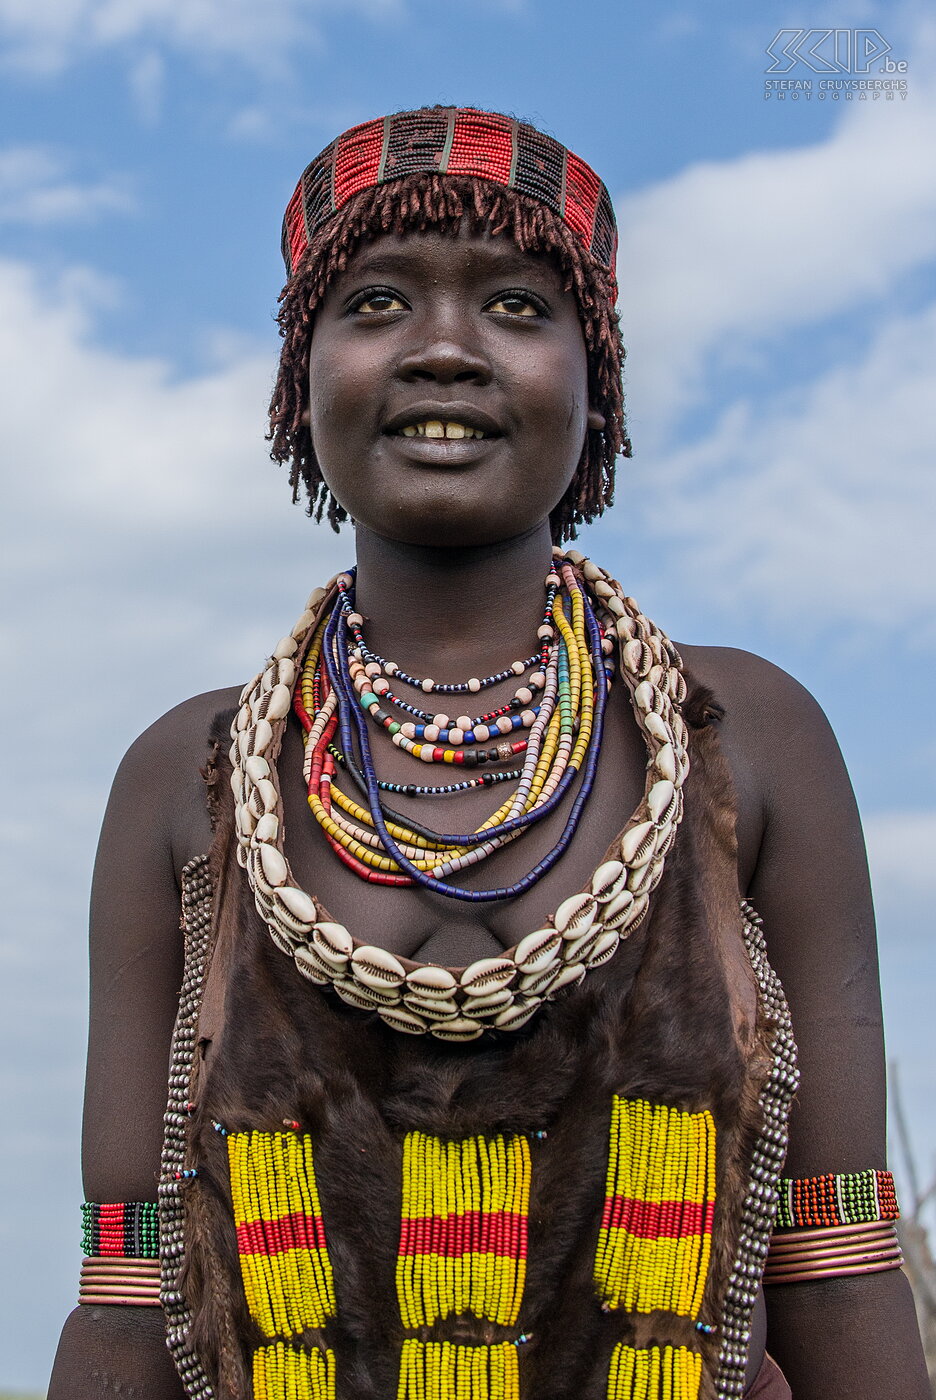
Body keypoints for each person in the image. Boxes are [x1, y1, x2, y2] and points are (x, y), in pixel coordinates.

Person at [49, 107, 928, 1400]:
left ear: (598, 376)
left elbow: (840, 1260)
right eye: (379, 303)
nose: (446, 350)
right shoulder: (189, 775)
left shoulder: (742, 735)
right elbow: (130, 1300)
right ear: (304, 378)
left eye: (518, 307)